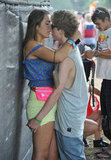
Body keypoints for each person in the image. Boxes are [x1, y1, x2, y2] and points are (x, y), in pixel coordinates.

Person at [27, 10, 88, 160]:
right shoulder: (67, 51)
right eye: (47, 24)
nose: (50, 28)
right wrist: (75, 39)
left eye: (52, 25)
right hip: (60, 112)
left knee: (70, 155)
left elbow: (57, 91)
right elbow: (59, 54)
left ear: (60, 30)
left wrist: (38, 119)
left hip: (67, 116)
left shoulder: (66, 57)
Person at [84, 7, 111, 159]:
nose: (97, 27)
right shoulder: (101, 33)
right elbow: (100, 49)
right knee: (107, 113)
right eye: (95, 24)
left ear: (107, 19)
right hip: (106, 77)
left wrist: (95, 53)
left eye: (99, 24)